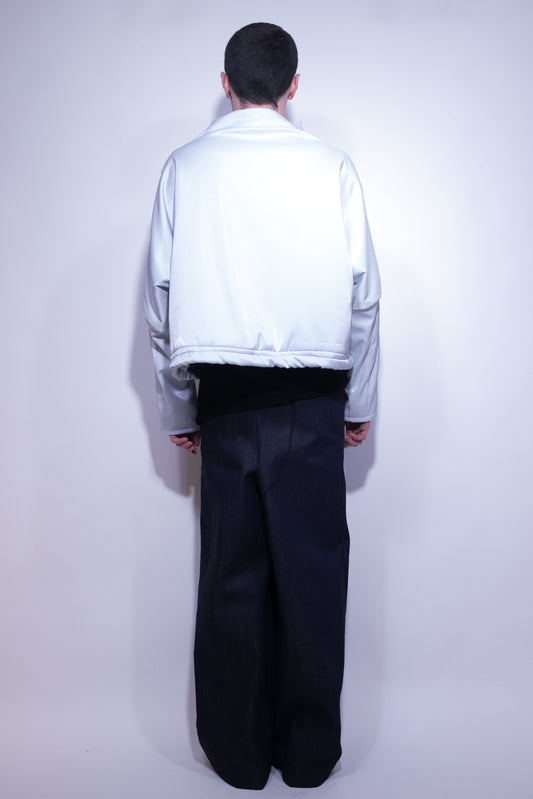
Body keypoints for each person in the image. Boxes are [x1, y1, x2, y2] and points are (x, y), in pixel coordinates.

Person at [144, 22, 381, 790]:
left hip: (225, 403)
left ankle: (238, 757)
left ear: (225, 82)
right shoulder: (330, 167)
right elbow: (363, 300)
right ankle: (307, 756)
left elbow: (160, 306)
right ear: (293, 84)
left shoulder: (185, 168)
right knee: (312, 577)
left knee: (230, 578)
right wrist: (358, 401)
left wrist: (180, 411)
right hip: (312, 402)